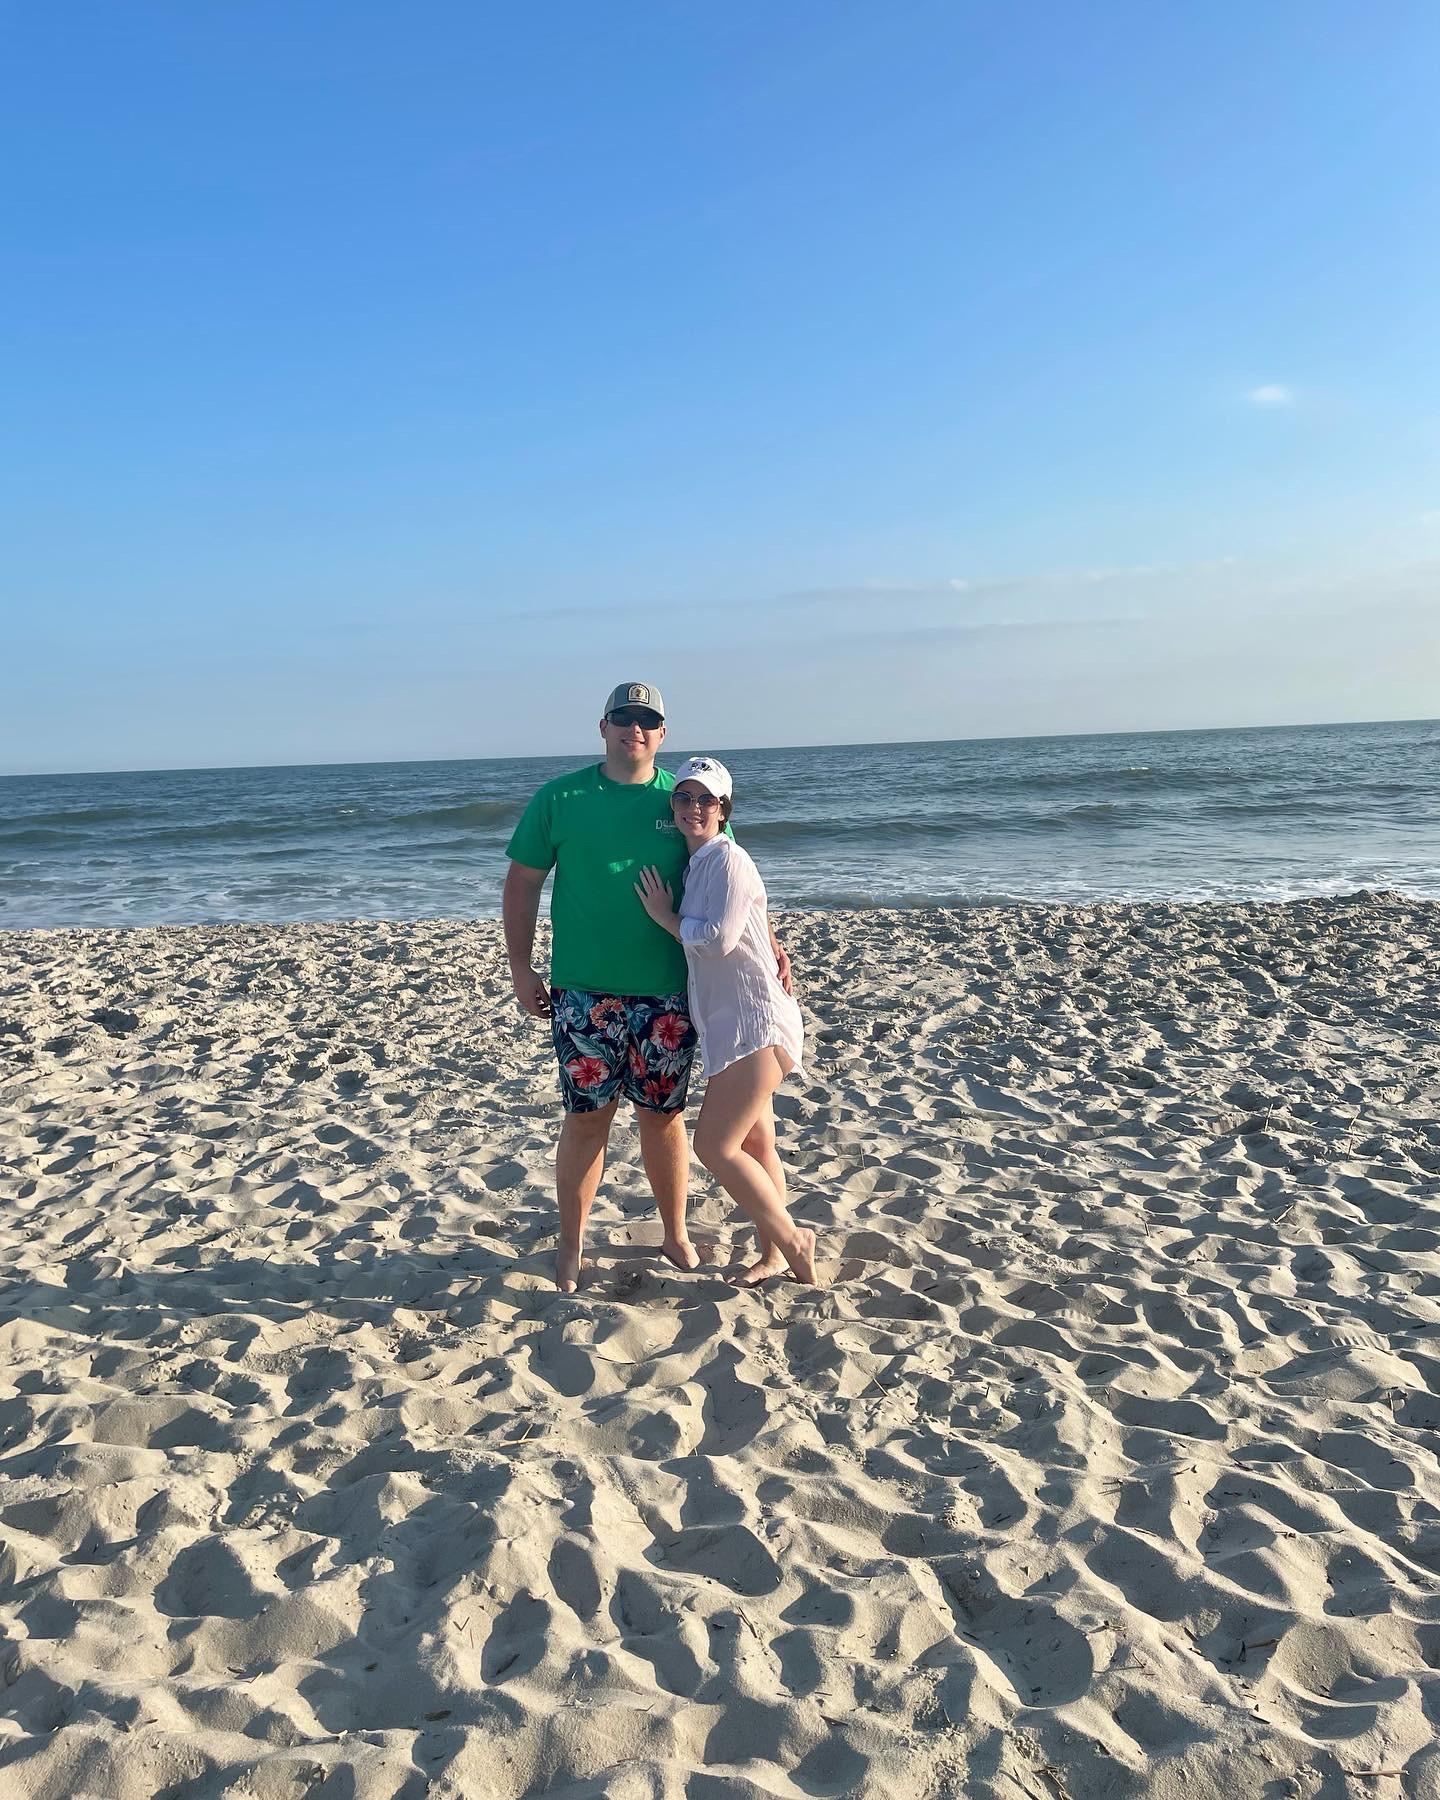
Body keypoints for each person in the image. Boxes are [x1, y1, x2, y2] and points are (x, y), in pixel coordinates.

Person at [503, 684, 792, 1292]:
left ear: (662, 733)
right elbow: (523, 881)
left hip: (666, 994)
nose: (634, 728)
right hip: (584, 992)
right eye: (624, 718)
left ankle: (675, 1233)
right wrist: (521, 967)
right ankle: (572, 1245)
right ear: (603, 726)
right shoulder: (561, 797)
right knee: (587, 1120)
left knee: (663, 1118)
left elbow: (735, 879)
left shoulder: (684, 798)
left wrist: (773, 945)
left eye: (647, 720)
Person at [635, 756, 818, 1286]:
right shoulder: (698, 866)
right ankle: (773, 1254)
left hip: (756, 1023)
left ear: (723, 809)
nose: (693, 807)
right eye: (684, 797)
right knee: (758, 1145)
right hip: (728, 1027)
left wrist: (665, 917)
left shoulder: (729, 861)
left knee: (714, 1146)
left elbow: (719, 939)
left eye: (706, 799)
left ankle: (793, 1239)